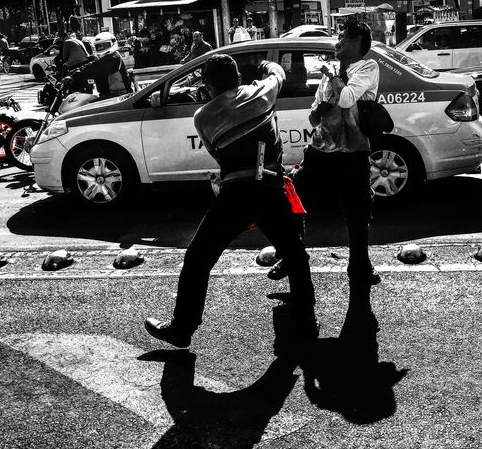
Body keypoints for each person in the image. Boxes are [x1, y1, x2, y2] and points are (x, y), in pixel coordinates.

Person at [144, 54, 319, 348]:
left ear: (208, 86)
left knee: (198, 259)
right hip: (270, 188)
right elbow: (277, 74)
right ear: (238, 78)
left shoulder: (203, 117)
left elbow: (219, 153)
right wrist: (265, 68)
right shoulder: (261, 92)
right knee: (295, 255)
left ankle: (182, 328)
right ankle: (305, 319)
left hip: (235, 193)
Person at [272, 21, 380, 287]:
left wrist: (332, 75)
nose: (337, 41)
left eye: (343, 36)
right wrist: (316, 112)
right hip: (320, 150)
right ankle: (291, 254)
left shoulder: (367, 67)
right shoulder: (328, 72)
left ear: (356, 41)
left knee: (357, 212)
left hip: (353, 153)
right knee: (292, 199)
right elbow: (312, 116)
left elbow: (347, 99)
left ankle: (360, 266)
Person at [63, 32, 131, 98]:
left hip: (119, 96)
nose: (101, 48)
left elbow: (93, 68)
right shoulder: (108, 57)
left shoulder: (113, 58)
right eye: (99, 46)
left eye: (104, 45)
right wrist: (72, 72)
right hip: (110, 95)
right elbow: (92, 65)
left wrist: (74, 76)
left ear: (112, 43)